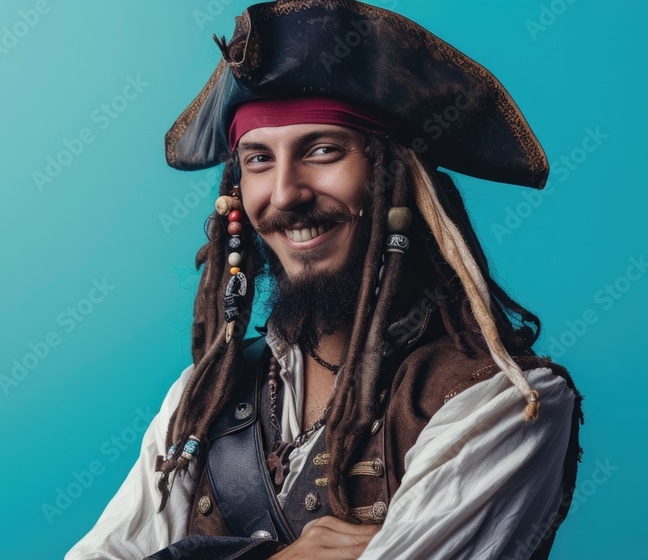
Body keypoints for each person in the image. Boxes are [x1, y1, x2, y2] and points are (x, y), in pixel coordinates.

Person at [66, 1, 583, 559]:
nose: (285, 193)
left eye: (322, 150)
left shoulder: (501, 402)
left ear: (394, 177)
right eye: (258, 160)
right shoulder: (200, 397)